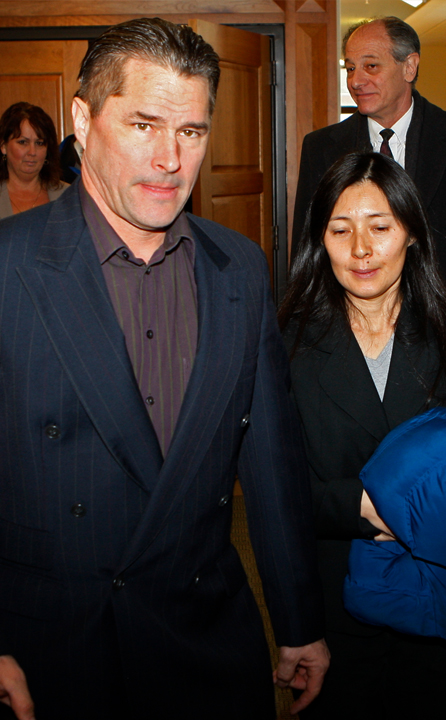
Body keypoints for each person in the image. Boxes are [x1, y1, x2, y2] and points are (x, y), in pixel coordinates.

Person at [0, 18, 328, 720]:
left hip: (206, 643)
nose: (170, 160)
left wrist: (299, 621)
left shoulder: (238, 267)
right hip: (51, 654)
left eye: (191, 132)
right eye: (144, 124)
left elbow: (270, 460)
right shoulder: (8, 265)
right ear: (83, 122)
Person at [278, 151, 446, 719]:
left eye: (381, 228)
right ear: (319, 240)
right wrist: (363, 507)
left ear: (413, 234)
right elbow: (276, 486)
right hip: (335, 601)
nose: (361, 250)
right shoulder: (288, 344)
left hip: (441, 598)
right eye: (340, 230)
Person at [292, 16, 446, 332]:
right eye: (350, 68)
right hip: (352, 336)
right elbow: (307, 254)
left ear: (409, 67)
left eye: (370, 66)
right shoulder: (321, 148)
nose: (356, 81)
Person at [0, 102, 68, 218]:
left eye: (39, 143)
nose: (32, 152)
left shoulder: (69, 195)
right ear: (3, 146)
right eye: (23, 142)